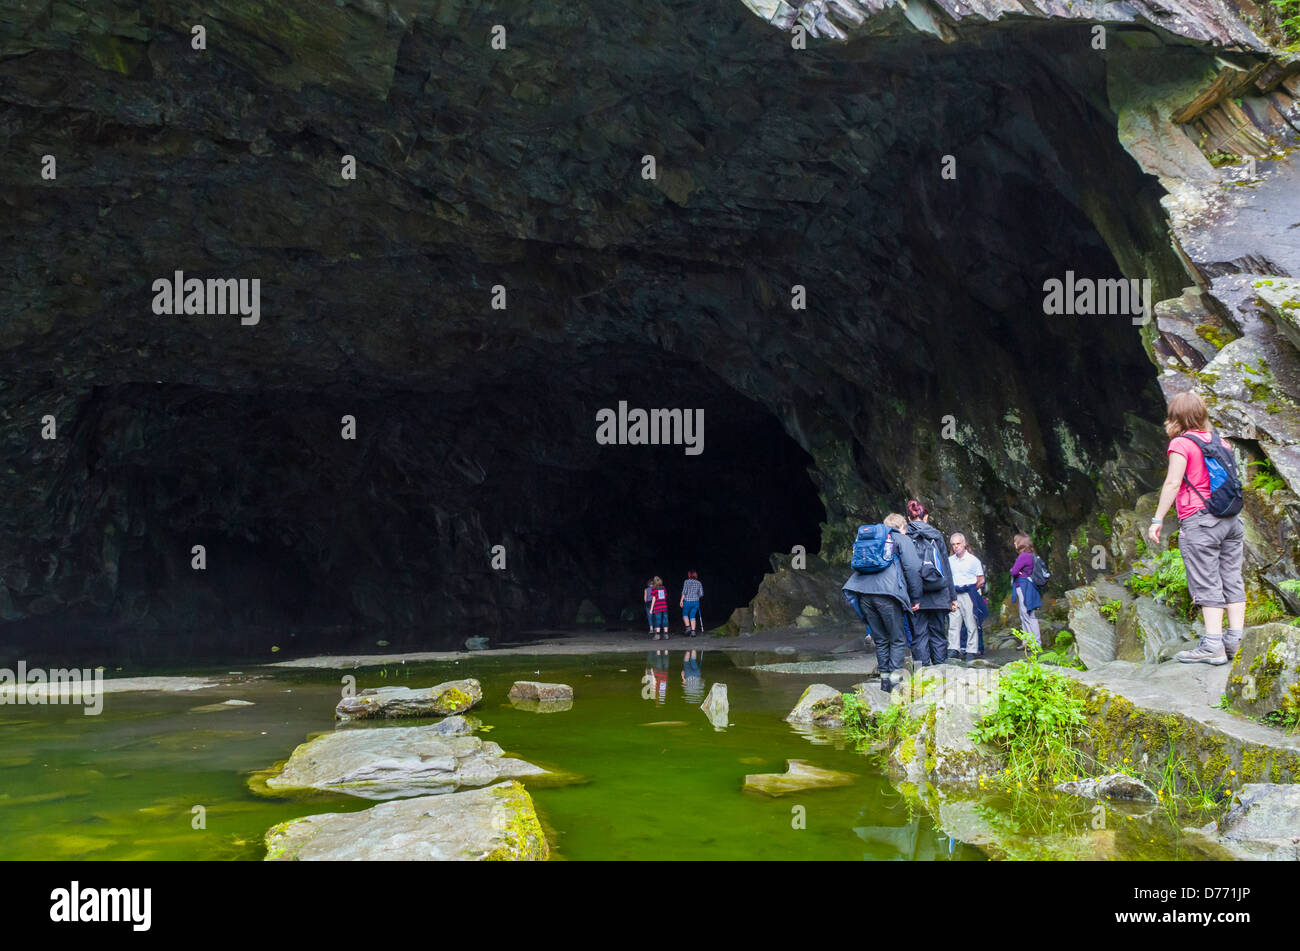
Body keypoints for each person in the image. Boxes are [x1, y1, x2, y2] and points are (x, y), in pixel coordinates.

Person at [1149, 391, 1246, 665]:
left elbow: (1172, 483)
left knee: (1206, 580)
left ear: (1175, 416)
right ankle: (1235, 641)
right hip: (1230, 521)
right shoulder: (1221, 443)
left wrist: (1157, 519)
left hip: (1200, 521)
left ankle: (1213, 646)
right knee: (1232, 578)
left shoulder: (1182, 443)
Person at [843, 513, 922, 692]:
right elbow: (913, 567)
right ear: (902, 526)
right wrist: (915, 598)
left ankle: (884, 683)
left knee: (881, 640)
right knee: (897, 639)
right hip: (887, 595)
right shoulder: (900, 539)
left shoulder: (873, 540)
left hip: (863, 594)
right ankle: (894, 685)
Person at [905, 500, 957, 666]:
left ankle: (922, 676)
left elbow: (905, 568)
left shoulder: (905, 537)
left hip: (916, 596)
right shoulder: (936, 535)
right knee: (938, 634)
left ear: (908, 518)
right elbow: (945, 567)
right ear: (925, 516)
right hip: (939, 593)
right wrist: (952, 596)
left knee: (919, 636)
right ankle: (941, 672)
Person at [947, 533, 986, 662]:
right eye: (953, 544)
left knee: (971, 621)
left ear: (964, 544)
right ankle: (954, 648)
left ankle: (971, 649)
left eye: (958, 544)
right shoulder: (949, 561)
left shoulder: (973, 560)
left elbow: (981, 579)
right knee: (954, 621)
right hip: (954, 593)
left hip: (969, 593)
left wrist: (972, 588)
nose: (956, 547)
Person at [1009, 533, 1043, 645]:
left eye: (1015, 541)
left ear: (1020, 543)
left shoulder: (1023, 556)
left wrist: (1013, 571)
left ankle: (1034, 643)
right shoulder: (1031, 554)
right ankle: (1028, 642)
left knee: (1027, 614)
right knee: (1026, 614)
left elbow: (1013, 571)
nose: (1014, 543)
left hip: (1024, 587)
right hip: (1028, 586)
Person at [680, 570, 703, 636]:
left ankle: (688, 628)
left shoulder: (686, 581)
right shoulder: (699, 583)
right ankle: (693, 631)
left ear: (689, 575)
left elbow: (684, 592)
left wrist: (681, 600)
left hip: (687, 601)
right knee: (692, 616)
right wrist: (696, 596)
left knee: (685, 614)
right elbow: (701, 594)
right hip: (696, 602)